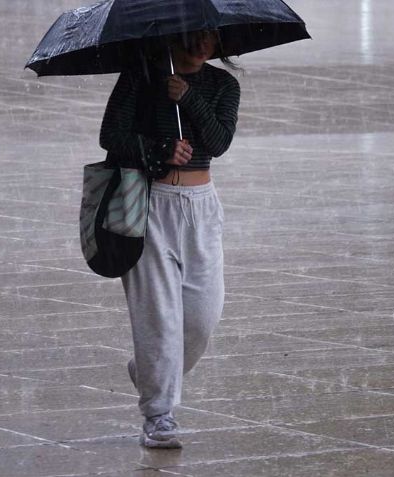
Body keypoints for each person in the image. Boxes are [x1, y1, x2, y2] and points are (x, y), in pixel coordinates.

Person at [99, 29, 241, 449]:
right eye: (193, 37)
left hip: (201, 205)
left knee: (201, 317)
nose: (202, 46)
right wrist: (159, 147)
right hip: (148, 202)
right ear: (172, 37)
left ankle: (149, 372)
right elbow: (111, 135)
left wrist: (187, 98)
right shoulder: (141, 77)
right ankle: (159, 414)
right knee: (157, 315)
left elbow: (219, 141)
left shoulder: (222, 85)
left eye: (210, 38)